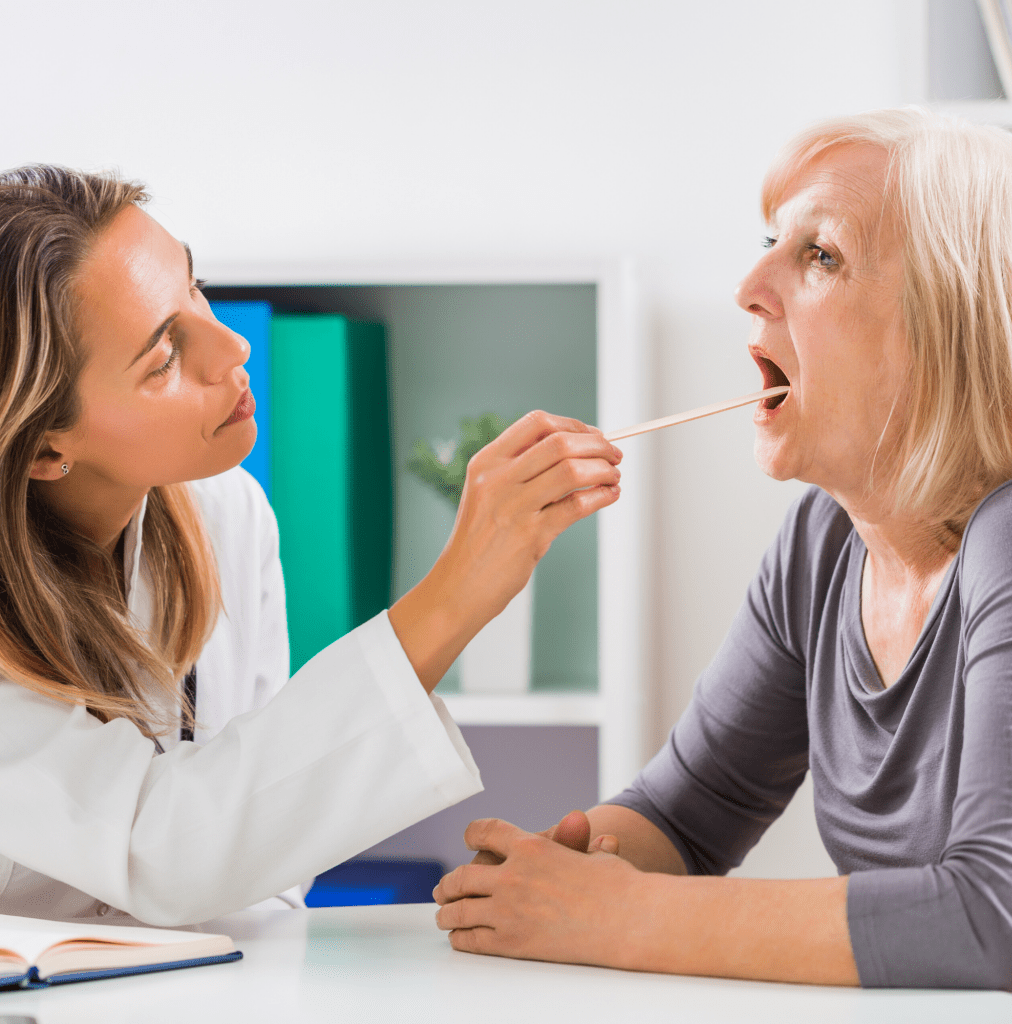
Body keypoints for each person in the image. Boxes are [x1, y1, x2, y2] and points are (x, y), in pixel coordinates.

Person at [433, 107, 1012, 992]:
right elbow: (688, 813)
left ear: (948, 326)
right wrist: (563, 871)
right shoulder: (825, 543)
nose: (750, 284)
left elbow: (996, 920)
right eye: (768, 243)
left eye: (819, 255)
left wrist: (612, 915)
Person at [0, 165, 623, 927]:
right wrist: (456, 593)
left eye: (195, 288)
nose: (233, 350)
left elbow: (264, 867)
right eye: (163, 358)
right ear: (42, 448)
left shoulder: (227, 515)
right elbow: (160, 848)